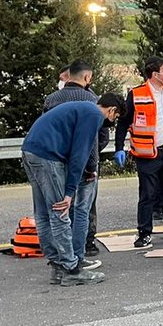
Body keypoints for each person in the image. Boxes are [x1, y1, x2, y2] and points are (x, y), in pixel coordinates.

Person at [21, 93, 124, 286]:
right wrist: (69, 192)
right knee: (60, 211)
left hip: (31, 151)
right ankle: (71, 269)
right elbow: (79, 154)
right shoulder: (94, 115)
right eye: (115, 117)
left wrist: (81, 172)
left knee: (43, 214)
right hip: (48, 157)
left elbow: (71, 145)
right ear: (112, 110)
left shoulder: (83, 107)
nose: (112, 121)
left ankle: (57, 267)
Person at [114, 57, 163, 249]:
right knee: (147, 195)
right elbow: (123, 122)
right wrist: (118, 148)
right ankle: (144, 233)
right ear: (154, 74)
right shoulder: (137, 94)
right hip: (148, 153)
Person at [43, 60, 109, 260]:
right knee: (84, 208)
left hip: (57, 161)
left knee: (61, 207)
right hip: (84, 162)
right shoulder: (92, 100)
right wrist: (91, 162)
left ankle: (63, 254)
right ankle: (83, 250)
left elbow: (46, 130)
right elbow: (100, 135)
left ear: (69, 76)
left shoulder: (51, 99)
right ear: (87, 77)